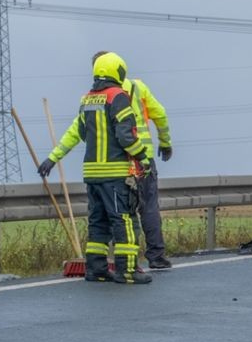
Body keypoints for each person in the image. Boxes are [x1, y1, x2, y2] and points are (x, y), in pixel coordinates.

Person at [38, 52, 152, 284]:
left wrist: (52, 158)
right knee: (124, 221)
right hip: (115, 175)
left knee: (98, 222)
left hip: (92, 176)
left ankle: (97, 270)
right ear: (118, 71)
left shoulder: (88, 99)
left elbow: (76, 133)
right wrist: (143, 156)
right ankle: (127, 271)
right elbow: (126, 136)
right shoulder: (118, 97)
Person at [93, 51, 174, 269]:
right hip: (143, 157)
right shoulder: (138, 87)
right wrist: (165, 142)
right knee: (148, 207)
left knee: (122, 213)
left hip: (118, 161)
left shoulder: (100, 95)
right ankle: (156, 256)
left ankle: (129, 262)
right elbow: (161, 114)